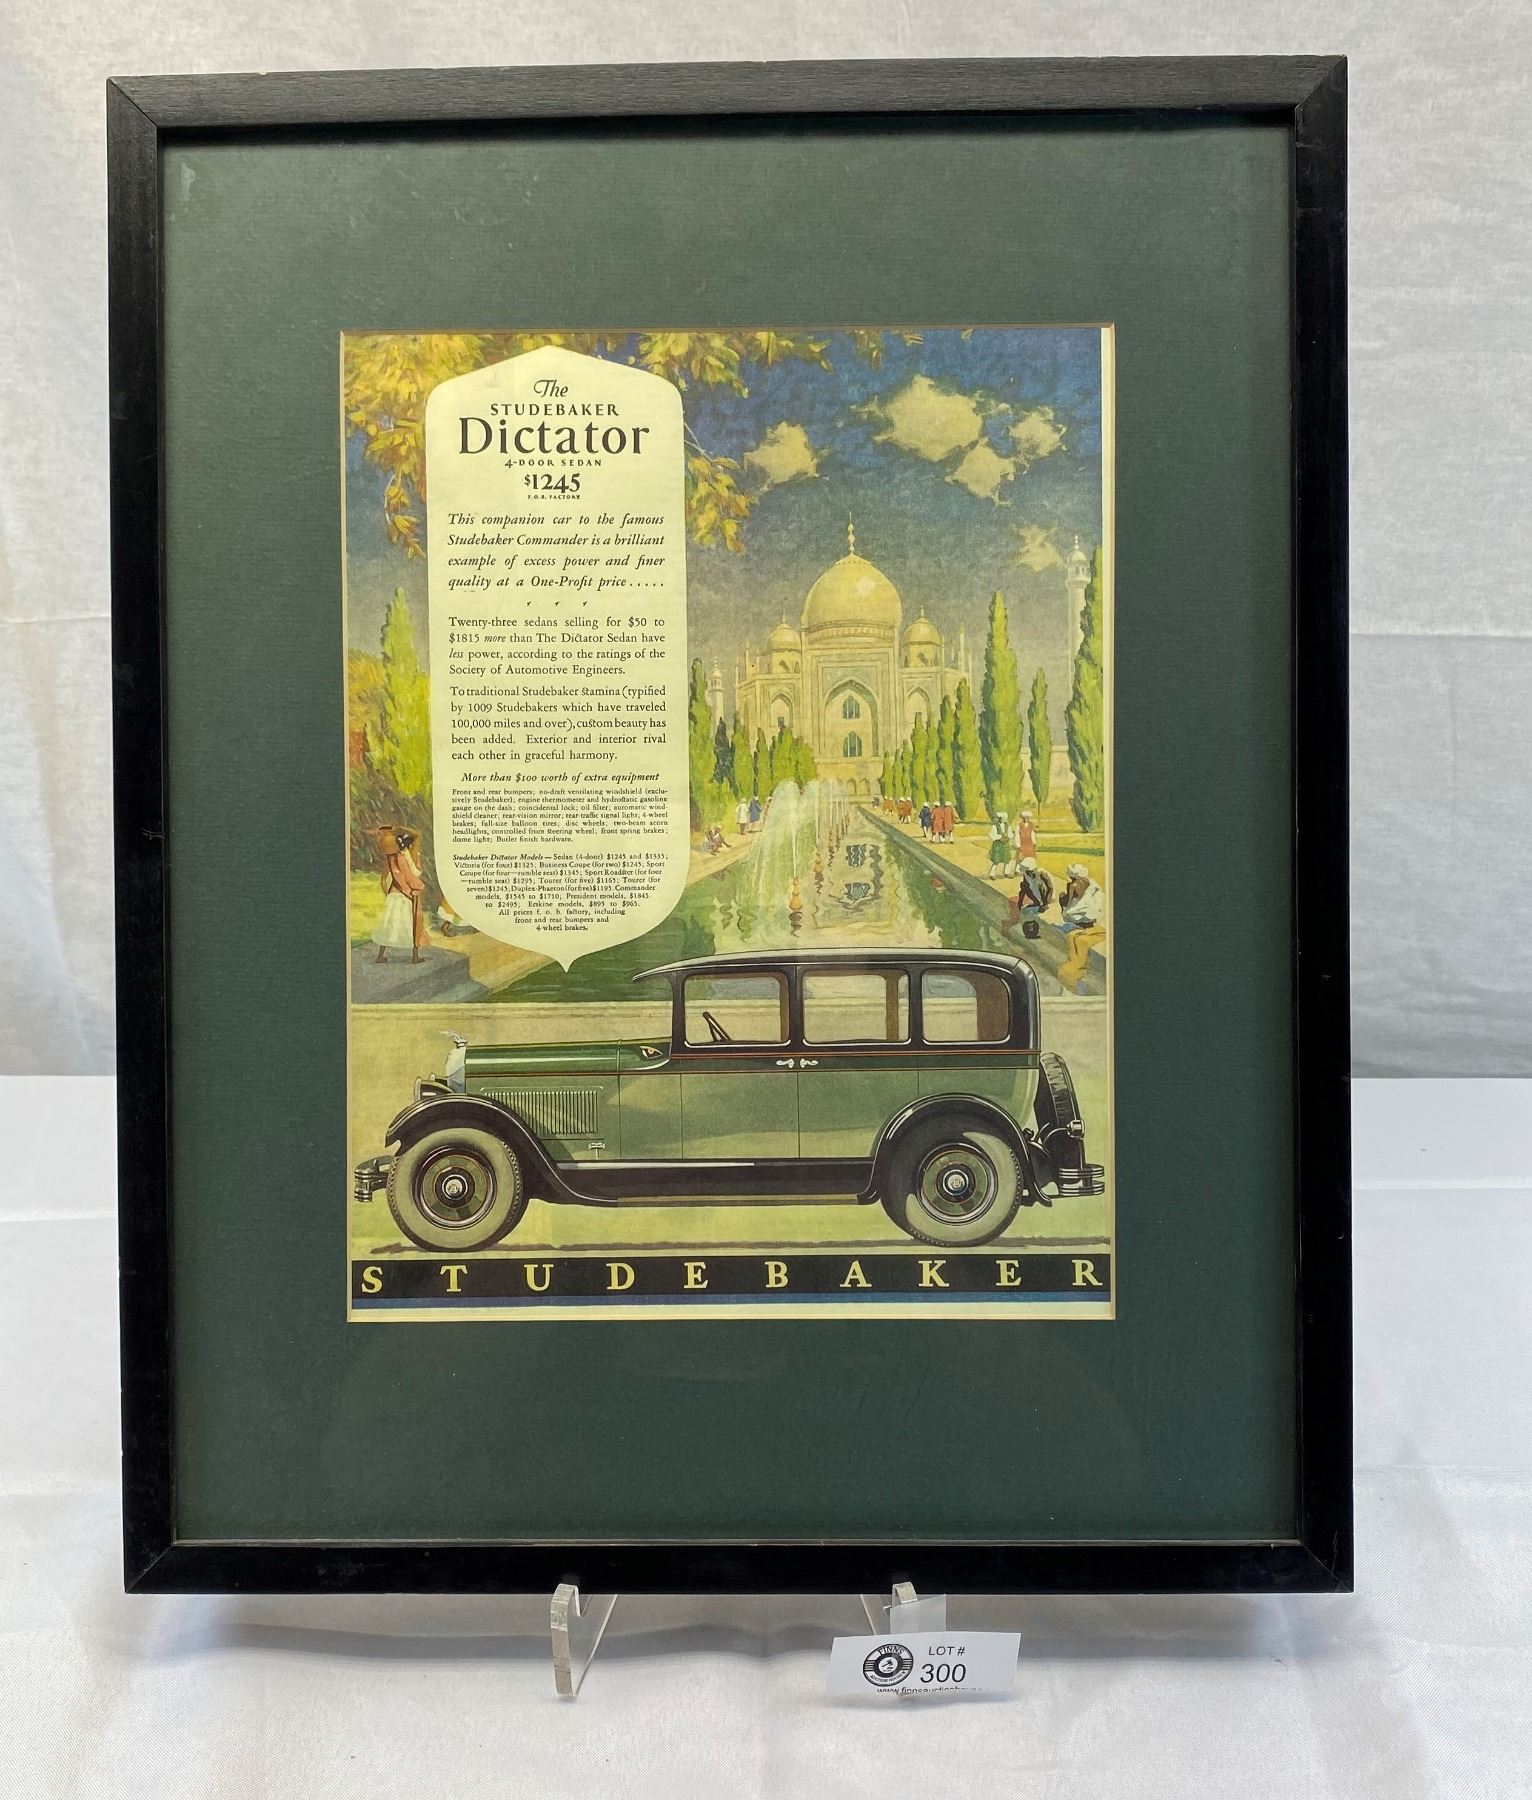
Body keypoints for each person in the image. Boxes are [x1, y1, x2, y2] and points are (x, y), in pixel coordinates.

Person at [372, 825, 427, 964]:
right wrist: (401, 828)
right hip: (410, 894)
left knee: (388, 925)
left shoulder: (391, 859)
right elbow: (418, 834)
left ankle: (380, 956)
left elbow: (383, 881)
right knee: (414, 923)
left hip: (394, 895)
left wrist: (388, 895)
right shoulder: (412, 856)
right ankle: (415, 956)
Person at [1057, 861, 1106, 993]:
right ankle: (1075, 968)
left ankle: (1077, 968)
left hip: (1085, 922)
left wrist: (1067, 905)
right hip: (1082, 921)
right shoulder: (1084, 888)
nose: (1071, 881)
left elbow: (1071, 906)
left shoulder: (1086, 890)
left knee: (1078, 938)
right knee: (1073, 936)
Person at [1010, 857, 1055, 938]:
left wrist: (1045, 903)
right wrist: (1020, 902)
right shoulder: (1026, 874)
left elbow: (1050, 888)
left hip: (1045, 895)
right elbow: (1024, 889)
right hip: (1035, 895)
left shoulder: (1041, 873)